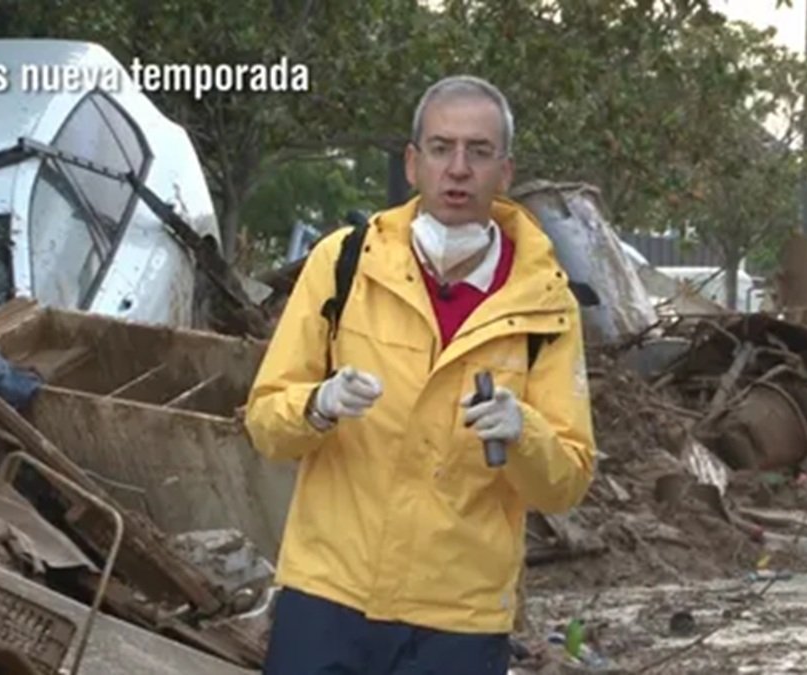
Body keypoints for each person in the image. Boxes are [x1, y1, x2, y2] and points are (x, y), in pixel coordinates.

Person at [243, 74, 597, 675]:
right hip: (329, 600)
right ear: (412, 163)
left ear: (504, 172)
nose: (458, 168)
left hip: (456, 622)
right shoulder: (344, 265)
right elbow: (265, 425)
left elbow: (564, 484)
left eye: (478, 152)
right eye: (441, 148)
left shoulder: (545, 303)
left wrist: (522, 432)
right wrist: (319, 405)